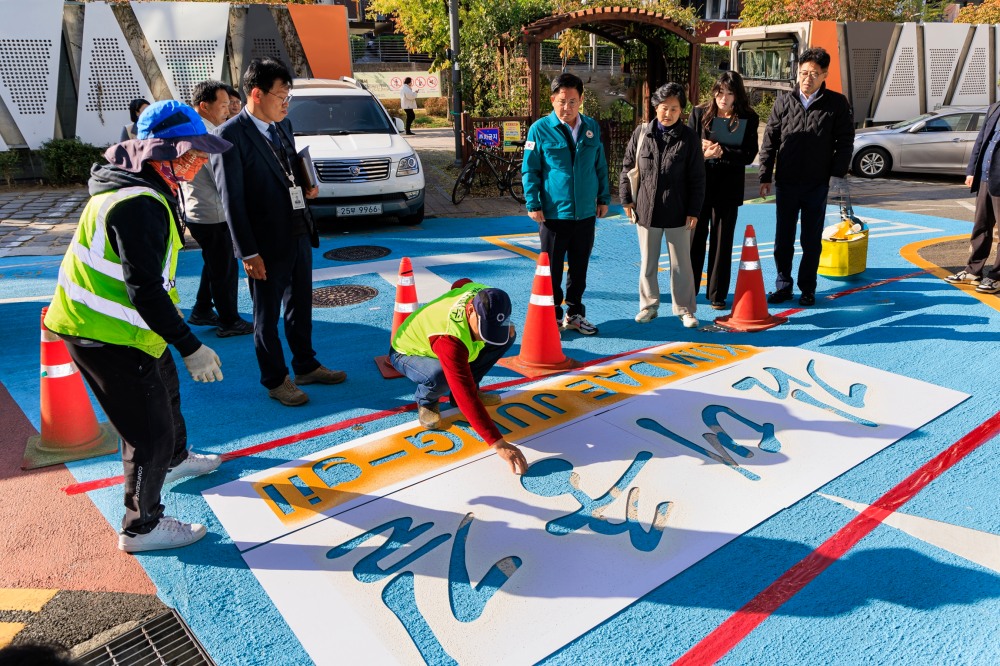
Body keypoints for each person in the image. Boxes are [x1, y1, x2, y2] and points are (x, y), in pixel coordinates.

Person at [43, 100, 230, 553]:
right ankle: (141, 527)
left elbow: (145, 284)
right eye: (194, 151)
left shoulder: (133, 185)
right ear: (164, 153)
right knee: (149, 435)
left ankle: (178, 460)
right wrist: (190, 345)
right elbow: (143, 289)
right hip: (107, 334)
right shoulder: (139, 203)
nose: (201, 160)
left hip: (124, 328)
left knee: (165, 392)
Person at [215, 58, 347, 406]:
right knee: (266, 315)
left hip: (298, 230)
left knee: (300, 305)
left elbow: (288, 169)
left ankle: (305, 365)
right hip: (263, 243)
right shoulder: (229, 137)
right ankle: (275, 379)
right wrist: (248, 252)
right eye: (281, 96)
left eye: (289, 97)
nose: (286, 103)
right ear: (256, 94)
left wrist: (307, 186)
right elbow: (232, 202)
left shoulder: (282, 127)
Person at [390, 280, 528, 475]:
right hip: (407, 352)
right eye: (483, 328)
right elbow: (463, 392)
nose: (483, 336)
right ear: (471, 310)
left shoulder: (481, 293)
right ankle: (427, 400)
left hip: (444, 342)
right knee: (441, 376)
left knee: (507, 336)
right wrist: (498, 443)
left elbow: (461, 283)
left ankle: (474, 384)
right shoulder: (450, 338)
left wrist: (502, 328)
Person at [758, 47, 854, 307]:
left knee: (811, 240)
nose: (807, 78)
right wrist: (765, 175)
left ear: (825, 75)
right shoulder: (783, 102)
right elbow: (770, 141)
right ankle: (783, 285)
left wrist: (836, 174)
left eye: (813, 73)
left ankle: (807, 288)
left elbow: (845, 142)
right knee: (783, 239)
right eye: (803, 72)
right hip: (787, 181)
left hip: (817, 183)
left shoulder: (836, 104)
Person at [522, 72, 610, 335]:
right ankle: (551, 316)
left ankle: (574, 314)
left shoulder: (591, 128)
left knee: (580, 266)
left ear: (581, 100)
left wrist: (603, 198)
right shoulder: (539, 129)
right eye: (562, 101)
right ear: (552, 100)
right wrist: (533, 202)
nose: (567, 107)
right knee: (552, 268)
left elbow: (600, 166)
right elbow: (530, 170)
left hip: (584, 213)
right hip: (553, 213)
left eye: (573, 101)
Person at [620, 82, 706, 329]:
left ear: (682, 112)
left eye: (675, 109)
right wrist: (627, 199)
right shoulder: (641, 133)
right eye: (664, 108)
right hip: (646, 210)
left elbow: (698, 178)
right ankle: (648, 306)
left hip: (679, 211)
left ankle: (685, 310)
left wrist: (694, 211)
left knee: (682, 266)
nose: (668, 114)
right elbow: (627, 167)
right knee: (648, 263)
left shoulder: (689, 138)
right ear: (655, 107)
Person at [182, 81, 251, 338]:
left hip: (199, 210)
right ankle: (229, 320)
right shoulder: (209, 135)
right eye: (223, 105)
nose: (227, 109)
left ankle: (201, 309)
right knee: (224, 269)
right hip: (213, 212)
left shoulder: (194, 129)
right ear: (204, 106)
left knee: (214, 263)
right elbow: (221, 178)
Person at [688, 71, 759, 310]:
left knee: (722, 241)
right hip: (700, 185)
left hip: (728, 187)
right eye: (720, 92)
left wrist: (723, 152)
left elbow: (749, 154)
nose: (724, 98)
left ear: (737, 95)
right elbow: (685, 146)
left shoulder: (748, 117)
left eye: (730, 93)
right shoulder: (699, 113)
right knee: (695, 240)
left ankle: (717, 294)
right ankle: (689, 290)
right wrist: (701, 148)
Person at [945, 100, 1000, 294]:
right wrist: (972, 171)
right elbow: (981, 141)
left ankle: (996, 277)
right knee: (981, 226)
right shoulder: (995, 107)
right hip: (986, 177)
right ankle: (973, 271)